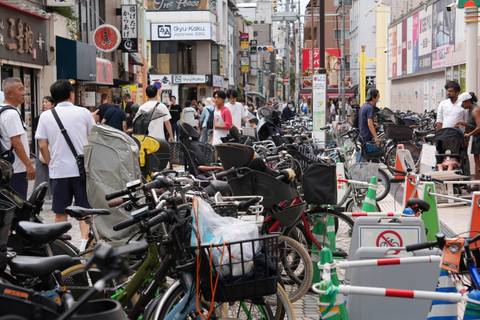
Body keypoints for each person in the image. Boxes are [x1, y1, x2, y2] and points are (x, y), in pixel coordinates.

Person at [35, 79, 95, 250]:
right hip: (82, 170)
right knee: (85, 211)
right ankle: (85, 244)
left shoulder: (46, 116)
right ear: (71, 94)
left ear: (53, 98)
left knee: (60, 211)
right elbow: (93, 139)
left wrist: (49, 161)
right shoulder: (84, 113)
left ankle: (60, 246)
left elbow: (42, 145)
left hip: (58, 171)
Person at [0, 78, 34, 199]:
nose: (24, 92)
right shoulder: (11, 114)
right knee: (18, 209)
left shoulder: (3, 110)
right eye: (20, 89)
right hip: (16, 170)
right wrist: (29, 165)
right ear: (9, 93)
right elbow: (16, 142)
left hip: (6, 168)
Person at [33, 96, 55, 195]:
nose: (44, 104)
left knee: (52, 173)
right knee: (42, 173)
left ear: (53, 104)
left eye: (46, 102)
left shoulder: (55, 116)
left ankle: (52, 193)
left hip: (53, 147)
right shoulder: (38, 118)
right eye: (43, 102)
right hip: (43, 147)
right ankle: (41, 194)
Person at [457, 92, 480, 179]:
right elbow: (473, 125)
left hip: (479, 138)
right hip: (476, 139)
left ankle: (478, 185)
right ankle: (477, 184)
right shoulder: (470, 110)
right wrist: (464, 124)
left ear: (467, 101)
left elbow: (479, 127)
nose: (462, 106)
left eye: (462, 103)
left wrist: (469, 134)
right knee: (477, 163)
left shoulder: (476, 110)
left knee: (478, 163)